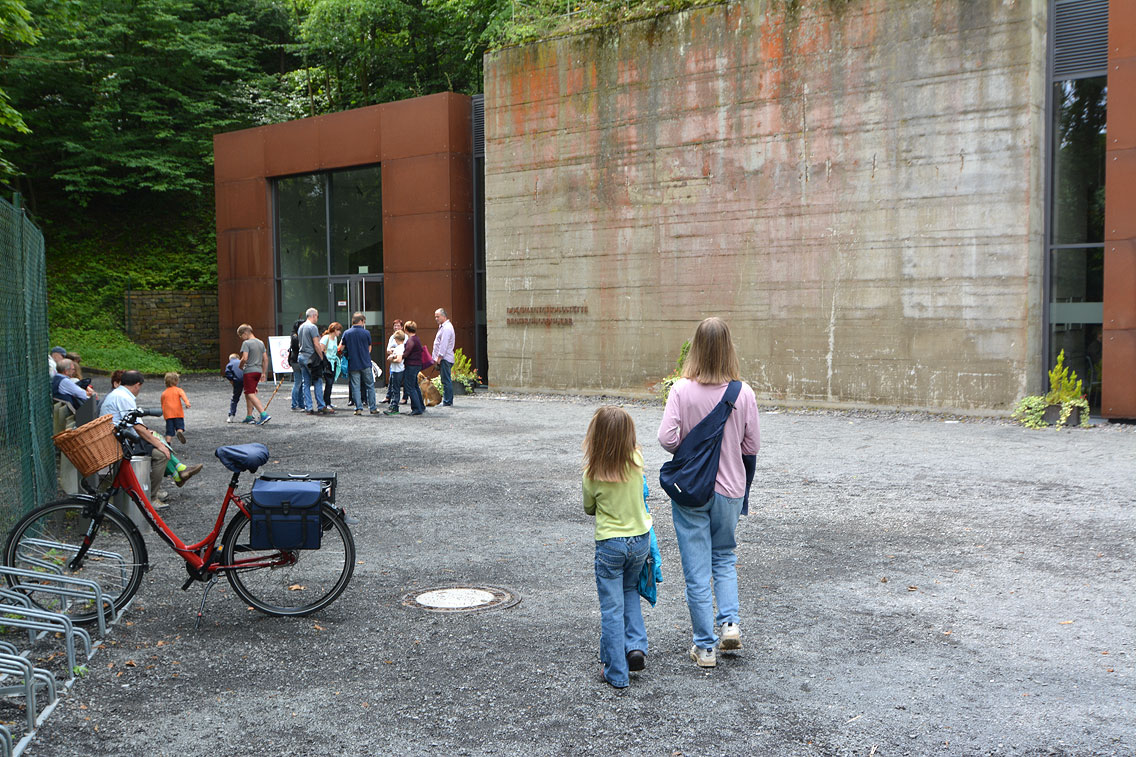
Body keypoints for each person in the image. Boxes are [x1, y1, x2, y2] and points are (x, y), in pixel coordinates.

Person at [657, 317, 760, 669]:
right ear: (729, 348)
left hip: (691, 490)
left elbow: (667, 438)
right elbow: (752, 445)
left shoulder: (681, 390)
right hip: (731, 489)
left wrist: (691, 445)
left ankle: (705, 648)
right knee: (725, 556)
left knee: (697, 571)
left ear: (696, 348)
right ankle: (730, 623)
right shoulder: (743, 393)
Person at [582, 406, 653, 688]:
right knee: (630, 590)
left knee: (611, 608)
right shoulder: (636, 460)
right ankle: (635, 646)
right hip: (640, 541)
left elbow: (589, 508)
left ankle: (616, 672)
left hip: (610, 544)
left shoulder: (592, 473)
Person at [101, 371, 202, 508]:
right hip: (119, 443)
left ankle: (177, 472)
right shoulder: (124, 397)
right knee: (160, 453)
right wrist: (160, 445)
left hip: (119, 438)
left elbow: (134, 424)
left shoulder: (119, 394)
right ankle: (151, 497)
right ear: (137, 385)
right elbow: (137, 427)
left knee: (156, 440)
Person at [342, 312, 378, 415]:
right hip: (365, 363)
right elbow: (369, 348)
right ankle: (373, 408)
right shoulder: (366, 333)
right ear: (361, 321)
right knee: (370, 386)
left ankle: (358, 408)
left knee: (355, 386)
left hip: (353, 363)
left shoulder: (347, 333)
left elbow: (341, 347)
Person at [297, 308, 330, 414]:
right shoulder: (312, 327)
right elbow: (316, 344)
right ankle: (321, 405)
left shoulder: (301, 327)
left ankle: (309, 407)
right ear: (314, 315)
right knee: (317, 381)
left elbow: (299, 343)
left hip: (301, 356)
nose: (317, 318)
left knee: (305, 382)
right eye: (317, 316)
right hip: (311, 358)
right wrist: (321, 357)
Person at [238, 324, 271, 425]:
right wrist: (264, 373)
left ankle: (263, 414)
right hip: (258, 371)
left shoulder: (246, 343)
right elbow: (265, 359)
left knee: (250, 393)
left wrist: (240, 365)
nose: (241, 339)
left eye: (241, 336)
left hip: (249, 371)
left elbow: (245, 358)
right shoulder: (260, 343)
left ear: (244, 334)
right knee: (249, 392)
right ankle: (249, 416)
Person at [400, 321, 426, 416]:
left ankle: (416, 408)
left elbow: (406, 353)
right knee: (415, 386)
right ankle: (421, 406)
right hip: (417, 364)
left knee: (410, 387)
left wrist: (397, 356)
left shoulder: (411, 340)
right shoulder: (416, 339)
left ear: (406, 329)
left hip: (411, 365)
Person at [433, 308, 456, 407]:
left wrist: (439, 357)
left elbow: (444, 344)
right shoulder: (443, 327)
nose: (436, 319)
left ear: (444, 316)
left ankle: (447, 401)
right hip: (445, 358)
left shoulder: (446, 328)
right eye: (435, 317)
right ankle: (447, 400)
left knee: (446, 380)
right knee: (445, 379)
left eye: (438, 316)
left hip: (445, 358)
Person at [160, 372, 190, 446]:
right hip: (178, 413)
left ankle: (168, 443)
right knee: (180, 426)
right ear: (176, 381)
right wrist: (187, 403)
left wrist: (164, 413)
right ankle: (179, 431)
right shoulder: (178, 390)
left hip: (168, 415)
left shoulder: (164, 393)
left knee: (169, 430)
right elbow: (183, 396)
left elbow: (162, 403)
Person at [319, 322, 344, 410]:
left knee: (330, 383)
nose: (339, 332)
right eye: (338, 330)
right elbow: (321, 350)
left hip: (333, 362)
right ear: (334, 330)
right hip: (327, 363)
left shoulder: (335, 338)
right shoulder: (326, 338)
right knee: (329, 383)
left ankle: (328, 402)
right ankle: (326, 403)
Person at [383, 331, 407, 415]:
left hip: (397, 370)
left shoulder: (400, 348)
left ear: (396, 339)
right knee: (395, 389)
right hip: (398, 370)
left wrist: (391, 359)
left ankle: (394, 406)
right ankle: (393, 405)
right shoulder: (402, 347)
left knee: (395, 389)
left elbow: (399, 359)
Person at [289, 318, 305, 411]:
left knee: (298, 383)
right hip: (297, 360)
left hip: (294, 360)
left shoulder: (293, 335)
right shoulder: (297, 336)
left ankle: (298, 404)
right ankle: (296, 404)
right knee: (298, 383)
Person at [223, 353, 244, 423]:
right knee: (250, 397)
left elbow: (227, 373)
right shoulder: (242, 362)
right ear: (238, 358)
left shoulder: (229, 365)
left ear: (230, 359)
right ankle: (250, 414)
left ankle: (231, 415)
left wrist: (232, 380)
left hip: (237, 381)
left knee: (235, 398)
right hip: (246, 380)